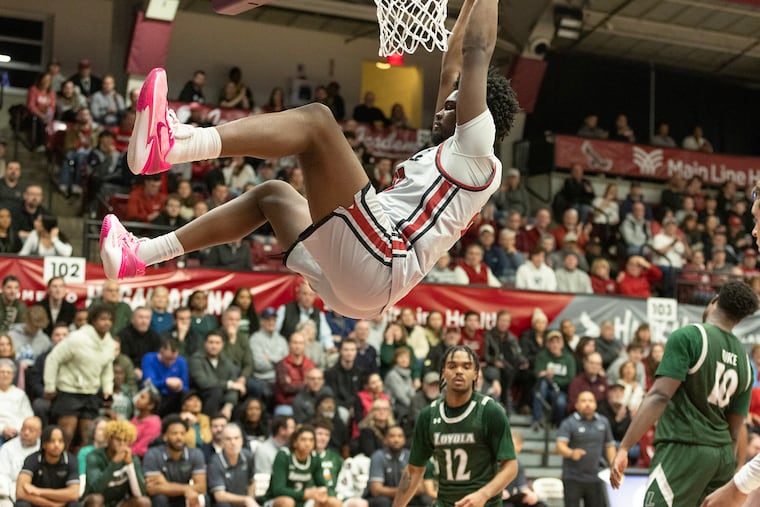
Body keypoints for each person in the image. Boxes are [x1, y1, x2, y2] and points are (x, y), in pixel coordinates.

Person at [99, 0, 518, 323]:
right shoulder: (449, 150)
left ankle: (173, 146)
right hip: (363, 286)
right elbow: (454, 64)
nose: (442, 111)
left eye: (453, 107)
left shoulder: (476, 151)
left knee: (317, 122)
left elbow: (478, 50)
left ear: (479, 116)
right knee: (274, 196)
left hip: (383, 261)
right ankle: (141, 255)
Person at [610, 282, 759, 505]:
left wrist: (624, 447)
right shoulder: (746, 363)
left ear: (715, 300)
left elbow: (660, 396)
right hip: (721, 457)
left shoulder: (690, 336)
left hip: (684, 450)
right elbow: (735, 428)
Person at [391, 343, 517, 507]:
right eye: (452, 366)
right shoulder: (428, 415)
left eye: (466, 366)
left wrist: (483, 495)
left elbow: (511, 466)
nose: (459, 371)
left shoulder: (490, 411)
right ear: (443, 373)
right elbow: (413, 470)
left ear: (475, 374)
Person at [43, 304, 116, 448]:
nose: (106, 322)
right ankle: (60, 465)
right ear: (93, 320)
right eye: (102, 319)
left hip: (91, 392)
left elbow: (108, 367)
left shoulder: (110, 343)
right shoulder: (76, 338)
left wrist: (108, 388)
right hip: (70, 390)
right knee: (67, 433)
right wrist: (50, 386)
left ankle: (83, 467)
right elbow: (53, 359)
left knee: (89, 435)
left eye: (110, 319)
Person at [556, 391, 615, 507]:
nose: (587, 404)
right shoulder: (569, 423)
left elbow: (609, 446)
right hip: (572, 478)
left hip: (595, 477)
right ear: (577, 405)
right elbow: (559, 446)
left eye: (591, 401)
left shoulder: (603, 422)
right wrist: (571, 453)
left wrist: (613, 464)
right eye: (583, 401)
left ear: (595, 404)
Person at [82, 420, 150, 507]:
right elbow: (95, 489)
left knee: (144, 502)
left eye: (125, 440)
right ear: (109, 439)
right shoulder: (94, 456)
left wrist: (130, 465)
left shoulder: (132, 458)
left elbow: (140, 493)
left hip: (119, 503)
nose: (122, 443)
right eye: (118, 439)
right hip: (95, 502)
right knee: (96, 499)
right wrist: (114, 463)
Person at [143, 414, 207, 507]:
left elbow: (201, 487)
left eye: (182, 433)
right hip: (164, 497)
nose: (179, 437)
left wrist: (165, 485)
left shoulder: (196, 454)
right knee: (160, 498)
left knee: (202, 498)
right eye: (174, 433)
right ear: (165, 436)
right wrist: (186, 489)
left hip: (184, 497)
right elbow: (151, 489)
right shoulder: (153, 454)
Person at [15, 425, 81, 507]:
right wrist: (52, 505)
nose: (56, 445)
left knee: (75, 505)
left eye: (60, 441)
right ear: (44, 444)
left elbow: (74, 494)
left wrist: (39, 491)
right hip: (38, 503)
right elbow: (20, 493)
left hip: (60, 503)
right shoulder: (32, 459)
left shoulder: (71, 460)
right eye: (52, 441)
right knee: (21, 504)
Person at [207, 423, 257, 507]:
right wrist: (246, 499)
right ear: (222, 442)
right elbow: (219, 496)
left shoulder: (247, 456)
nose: (233, 442)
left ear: (241, 440)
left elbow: (251, 482)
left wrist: (250, 499)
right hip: (225, 504)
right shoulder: (215, 462)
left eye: (236, 438)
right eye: (228, 439)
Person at [0, 416, 42, 506]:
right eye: (23, 429)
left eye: (31, 430)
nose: (26, 433)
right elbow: (3, 475)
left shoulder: (44, 449)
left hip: (40, 492)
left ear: (39, 433)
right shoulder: (7, 448)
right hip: (12, 492)